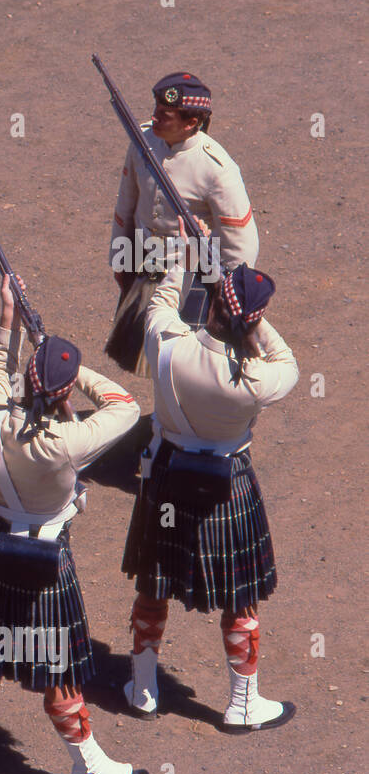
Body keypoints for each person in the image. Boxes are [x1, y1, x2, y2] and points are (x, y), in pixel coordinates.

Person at [0, 276, 150, 774]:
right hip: (42, 560)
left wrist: (9, 320)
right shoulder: (68, 441)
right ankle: (88, 768)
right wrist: (71, 367)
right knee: (58, 670)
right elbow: (124, 404)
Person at [121, 235, 297, 731]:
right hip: (227, 480)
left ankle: (143, 688)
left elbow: (161, 300)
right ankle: (243, 703)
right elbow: (288, 362)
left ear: (215, 304)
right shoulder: (257, 380)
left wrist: (179, 256)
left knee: (153, 584)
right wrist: (252, 319)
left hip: (166, 473)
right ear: (252, 319)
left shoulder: (168, 344)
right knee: (240, 596)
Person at [106, 72, 259, 374]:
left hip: (192, 276)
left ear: (191, 123)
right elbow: (127, 202)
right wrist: (121, 261)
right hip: (145, 263)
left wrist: (227, 295)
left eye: (165, 115)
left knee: (187, 364)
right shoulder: (143, 140)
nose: (154, 117)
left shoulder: (217, 169)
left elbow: (241, 241)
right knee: (151, 355)